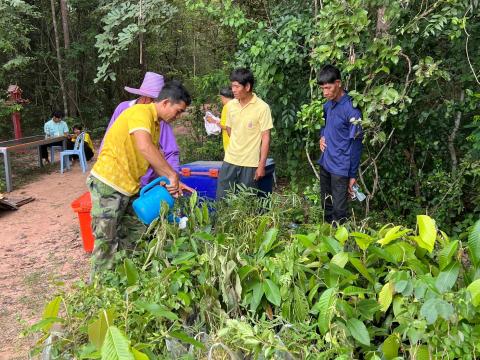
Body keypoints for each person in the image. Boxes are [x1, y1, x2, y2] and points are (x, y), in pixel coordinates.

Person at [87, 80, 192, 271]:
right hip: (109, 184)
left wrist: (172, 181)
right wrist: (171, 174)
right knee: (106, 240)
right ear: (166, 102)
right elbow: (145, 147)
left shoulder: (156, 125)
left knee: (137, 232)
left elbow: (155, 158)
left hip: (129, 186)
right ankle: (99, 291)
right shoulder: (140, 113)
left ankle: (127, 277)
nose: (178, 116)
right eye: (178, 111)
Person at [100, 72, 181, 186]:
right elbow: (108, 139)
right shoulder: (123, 108)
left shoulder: (161, 118)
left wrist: (172, 177)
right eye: (155, 101)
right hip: (116, 176)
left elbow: (171, 151)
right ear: (145, 98)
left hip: (145, 181)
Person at [216, 69, 274, 199]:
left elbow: (266, 137)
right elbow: (230, 129)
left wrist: (261, 165)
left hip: (250, 163)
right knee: (222, 198)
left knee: (246, 202)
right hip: (230, 160)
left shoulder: (262, 108)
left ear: (247, 86)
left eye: (237, 86)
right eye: (232, 86)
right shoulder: (230, 106)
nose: (233, 90)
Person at [317, 65, 363, 224]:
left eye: (328, 88)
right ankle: (327, 242)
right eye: (323, 88)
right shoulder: (328, 105)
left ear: (338, 83)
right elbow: (324, 124)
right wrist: (321, 136)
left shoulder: (352, 109)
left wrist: (352, 175)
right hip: (326, 163)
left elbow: (356, 145)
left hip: (341, 168)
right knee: (326, 206)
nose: (325, 92)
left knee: (339, 211)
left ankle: (340, 246)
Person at [206, 87, 234, 151]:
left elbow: (226, 126)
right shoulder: (237, 105)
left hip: (229, 142)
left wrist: (213, 121)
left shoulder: (226, 107)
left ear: (222, 97)